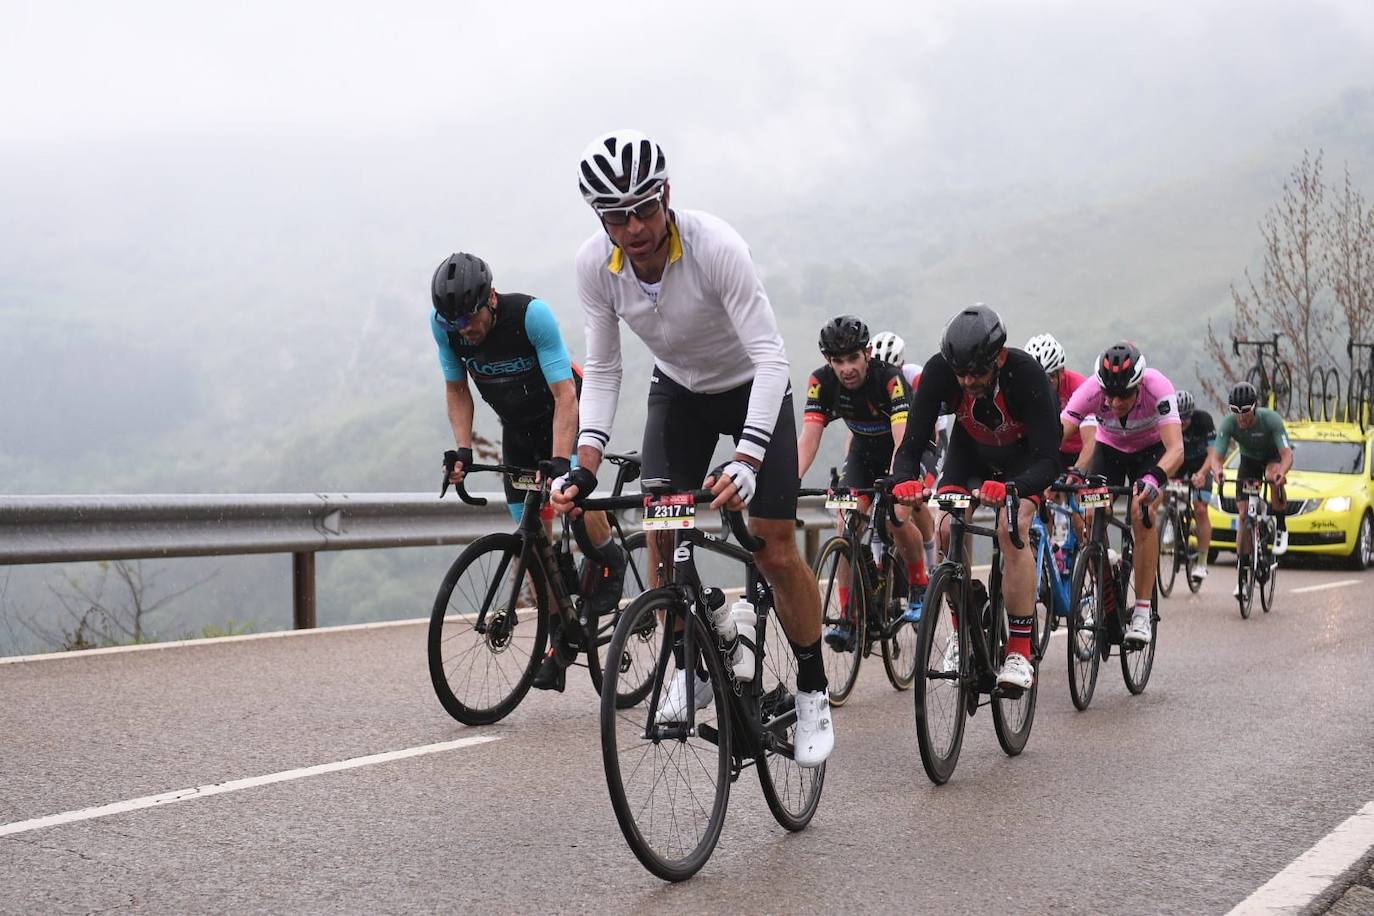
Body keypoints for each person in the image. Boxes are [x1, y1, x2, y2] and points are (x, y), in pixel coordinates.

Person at [550, 129, 833, 767]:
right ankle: (691, 660)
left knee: (774, 545)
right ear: (601, 220)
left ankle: (813, 685)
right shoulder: (596, 265)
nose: (635, 227)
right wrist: (585, 463)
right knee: (662, 519)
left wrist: (751, 455)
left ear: (667, 196)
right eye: (617, 217)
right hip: (677, 391)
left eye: (645, 209)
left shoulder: (715, 247)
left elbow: (769, 356)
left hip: (751, 386)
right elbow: (604, 365)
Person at [430, 251, 624, 692]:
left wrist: (561, 464)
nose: (463, 330)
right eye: (452, 323)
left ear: (491, 299)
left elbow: (564, 395)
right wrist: (463, 447)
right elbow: (457, 388)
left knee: (573, 491)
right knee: (530, 539)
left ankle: (610, 556)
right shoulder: (446, 327)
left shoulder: (530, 316)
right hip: (517, 429)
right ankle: (560, 639)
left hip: (566, 412)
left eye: (469, 319)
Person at [890, 304, 1062, 691]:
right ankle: (963, 626)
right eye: (960, 373)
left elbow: (1050, 459)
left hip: (1024, 462)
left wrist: (1015, 488)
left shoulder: (1027, 375)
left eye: (978, 372)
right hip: (970, 456)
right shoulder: (939, 372)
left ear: (999, 357)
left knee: (1011, 526)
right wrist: (903, 479)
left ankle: (1019, 648)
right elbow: (913, 442)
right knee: (949, 527)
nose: (967, 381)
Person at [797, 316, 929, 652]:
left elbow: (902, 437)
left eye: (852, 358)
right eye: (837, 361)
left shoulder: (891, 380)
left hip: (906, 449)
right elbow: (808, 441)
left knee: (895, 517)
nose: (846, 369)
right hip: (863, 454)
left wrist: (899, 477)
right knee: (846, 529)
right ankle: (849, 616)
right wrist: (789, 480)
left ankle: (918, 582)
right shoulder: (821, 382)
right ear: (829, 361)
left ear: (867, 353)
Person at [1060, 342, 1184, 646]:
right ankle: (1106, 582)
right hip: (1110, 450)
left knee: (1142, 514)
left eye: (1124, 395)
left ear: (1139, 385)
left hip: (1150, 453)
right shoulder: (1090, 390)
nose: (1115, 403)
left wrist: (1154, 479)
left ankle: (1142, 613)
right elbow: (1056, 432)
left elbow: (1176, 449)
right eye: (1109, 395)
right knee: (1090, 514)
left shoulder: (1158, 387)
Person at [1203, 381, 1294, 588]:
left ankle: (1280, 526)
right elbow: (1217, 458)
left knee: (1272, 477)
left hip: (1272, 458)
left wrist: (1281, 472)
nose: (1241, 417)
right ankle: (1243, 572)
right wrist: (1217, 471)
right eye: (1236, 411)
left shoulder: (1271, 420)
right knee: (1243, 516)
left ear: (1255, 407)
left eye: (1246, 411)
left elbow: (1287, 455)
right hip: (1249, 461)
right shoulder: (1229, 423)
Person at [870, 330, 944, 568]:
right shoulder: (872, 383)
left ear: (901, 364)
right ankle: (882, 566)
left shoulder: (916, 376)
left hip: (930, 442)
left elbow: (928, 426)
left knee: (914, 495)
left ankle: (930, 552)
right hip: (897, 443)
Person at [1024, 333, 1088, 470]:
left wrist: (1079, 471)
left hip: (1082, 449)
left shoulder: (1081, 387)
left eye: (1051, 376)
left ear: (1062, 372)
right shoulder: (1026, 389)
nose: (1046, 383)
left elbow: (1094, 438)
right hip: (1053, 451)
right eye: (1039, 378)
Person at [1174, 390, 1218, 583]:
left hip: (1202, 464)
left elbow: (1213, 454)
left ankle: (1202, 561)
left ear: (1192, 414)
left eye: (1185, 419)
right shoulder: (1170, 422)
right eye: (1179, 419)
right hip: (1181, 461)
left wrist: (1201, 473)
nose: (1182, 423)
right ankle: (1170, 517)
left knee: (1200, 509)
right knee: (1163, 482)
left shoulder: (1204, 420)